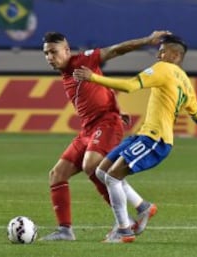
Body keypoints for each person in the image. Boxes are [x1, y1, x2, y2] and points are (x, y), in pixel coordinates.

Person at [73, 34, 197, 243]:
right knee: (102, 171)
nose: (159, 54)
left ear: (175, 55)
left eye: (163, 50)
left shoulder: (163, 69)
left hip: (155, 140)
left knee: (112, 177)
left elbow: (130, 86)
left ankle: (124, 231)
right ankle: (143, 207)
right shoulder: (185, 82)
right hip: (145, 136)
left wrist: (92, 77)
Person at [40, 30, 170, 241]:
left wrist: (147, 40)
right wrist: (117, 106)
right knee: (57, 175)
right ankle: (65, 231)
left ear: (66, 50)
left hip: (106, 124)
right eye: (46, 53)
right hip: (88, 129)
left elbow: (116, 50)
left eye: (53, 52)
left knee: (92, 165)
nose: (49, 58)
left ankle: (125, 223)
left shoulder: (83, 60)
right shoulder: (66, 74)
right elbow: (99, 91)